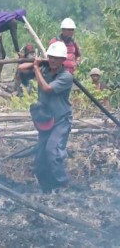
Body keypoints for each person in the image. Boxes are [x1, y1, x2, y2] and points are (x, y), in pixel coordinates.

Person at [32, 41, 73, 193]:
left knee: (52, 151)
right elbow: (21, 69)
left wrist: (36, 67)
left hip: (61, 120)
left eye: (57, 58)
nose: (53, 60)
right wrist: (37, 63)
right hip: (46, 120)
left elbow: (47, 88)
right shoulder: (45, 69)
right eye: (51, 57)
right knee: (40, 157)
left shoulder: (66, 77)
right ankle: (47, 190)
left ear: (63, 61)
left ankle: (63, 186)